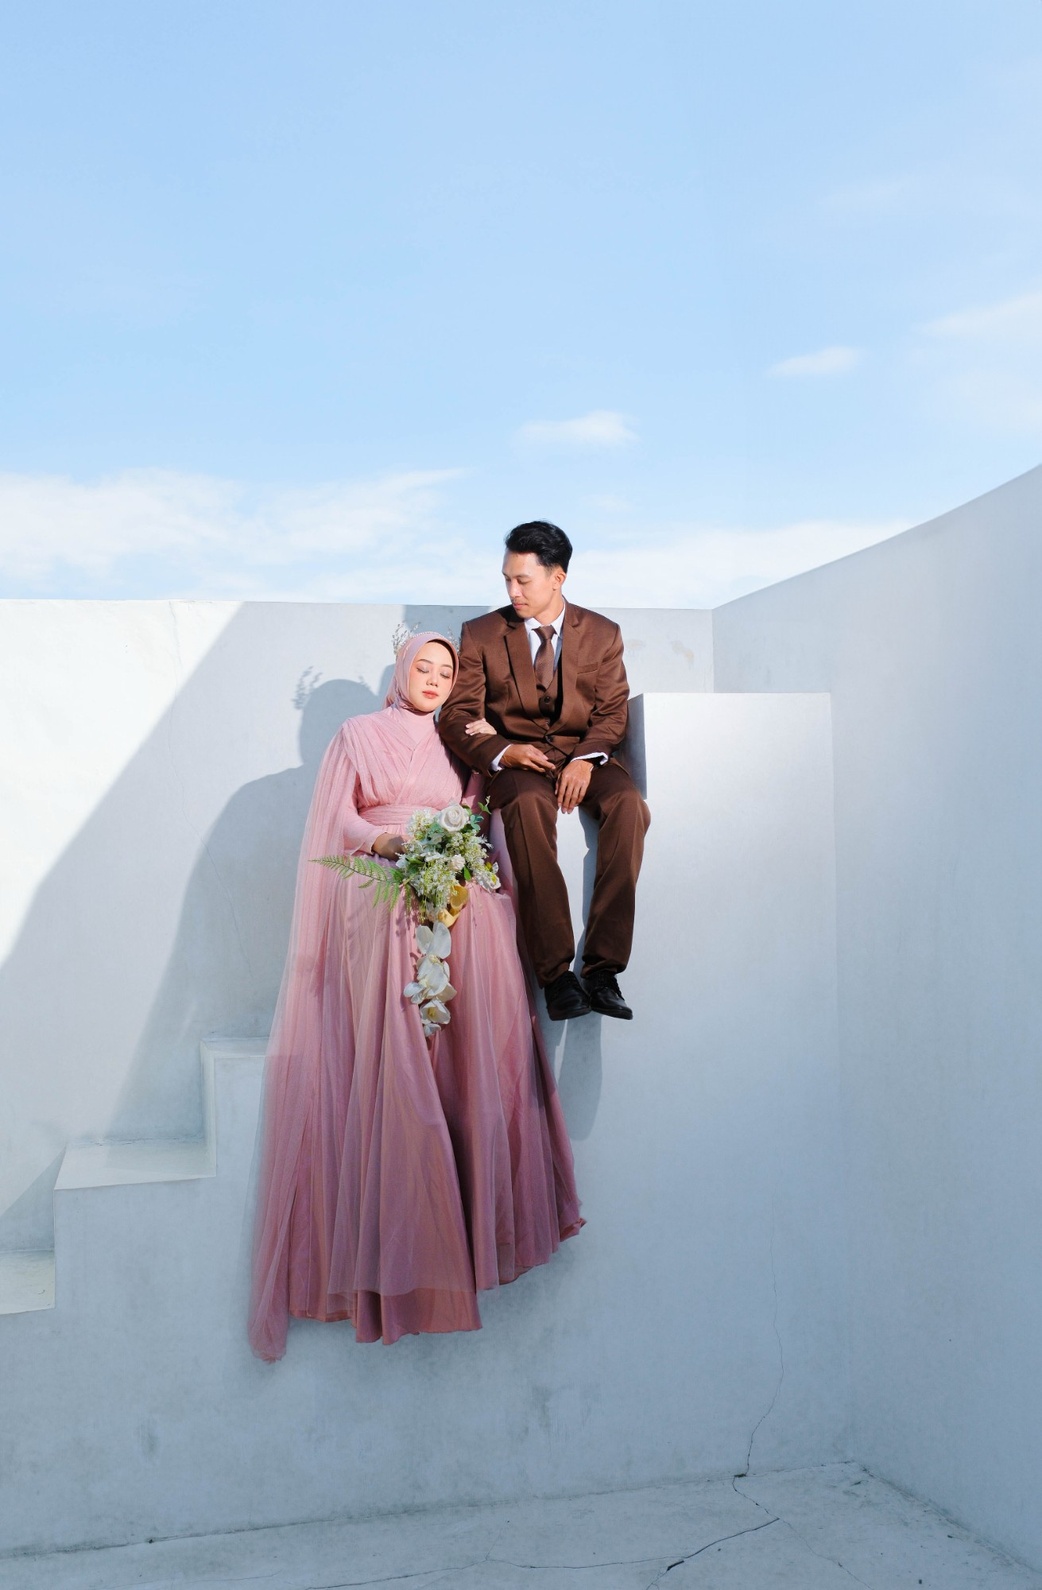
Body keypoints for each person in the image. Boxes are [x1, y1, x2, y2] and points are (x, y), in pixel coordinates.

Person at [248, 632, 581, 1361]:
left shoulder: (459, 742)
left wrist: (456, 858)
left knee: (483, 913)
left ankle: (459, 1078)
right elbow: (335, 817)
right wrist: (386, 845)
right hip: (378, 868)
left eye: (445, 671)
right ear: (401, 672)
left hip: (444, 870)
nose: (433, 679)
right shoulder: (357, 733)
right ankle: (407, 1066)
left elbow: (473, 813)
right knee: (394, 905)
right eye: (422, 668)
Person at [439, 521, 650, 1023]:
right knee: (528, 805)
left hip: (585, 755)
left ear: (557, 577)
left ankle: (603, 970)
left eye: (523, 580)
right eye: (507, 579)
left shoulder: (602, 634)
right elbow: (457, 714)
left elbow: (612, 713)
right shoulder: (481, 634)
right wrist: (503, 751)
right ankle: (555, 976)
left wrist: (585, 759)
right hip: (519, 764)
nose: (512, 591)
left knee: (629, 807)